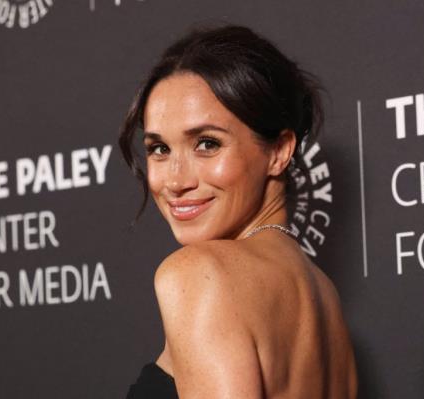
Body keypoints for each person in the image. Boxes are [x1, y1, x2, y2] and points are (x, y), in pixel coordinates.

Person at [120, 24, 358, 399]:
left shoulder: (199, 272)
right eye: (159, 149)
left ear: (279, 151)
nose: (175, 180)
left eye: (207, 144)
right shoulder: (325, 299)